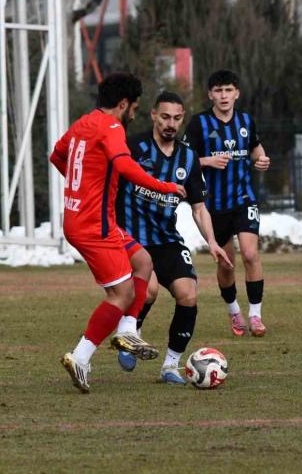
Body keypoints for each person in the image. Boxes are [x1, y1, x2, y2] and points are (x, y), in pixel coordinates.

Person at [49, 72, 186, 393]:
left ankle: (127, 330)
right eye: (134, 108)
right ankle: (80, 357)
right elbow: (125, 167)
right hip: (93, 224)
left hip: (87, 218)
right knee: (122, 294)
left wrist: (81, 185)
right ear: (123, 104)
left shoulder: (84, 123)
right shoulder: (111, 128)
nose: (134, 114)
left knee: (143, 261)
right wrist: (165, 187)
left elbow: (57, 154)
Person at [115, 91, 232, 384]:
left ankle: (170, 366)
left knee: (188, 294)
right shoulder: (133, 147)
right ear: (154, 115)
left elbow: (199, 207)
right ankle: (130, 332)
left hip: (166, 239)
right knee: (149, 290)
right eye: (165, 117)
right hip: (131, 238)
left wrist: (212, 241)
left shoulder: (188, 157)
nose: (171, 124)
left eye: (177, 118)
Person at [182, 70, 270, 337]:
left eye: (228, 90)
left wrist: (261, 159)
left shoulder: (246, 121)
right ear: (210, 94)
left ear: (236, 93)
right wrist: (207, 161)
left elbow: (255, 148)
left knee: (251, 254)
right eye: (218, 90)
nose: (223, 96)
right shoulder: (199, 124)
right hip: (213, 205)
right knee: (226, 263)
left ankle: (255, 315)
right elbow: (182, 160)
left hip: (244, 199)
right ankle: (234, 311)